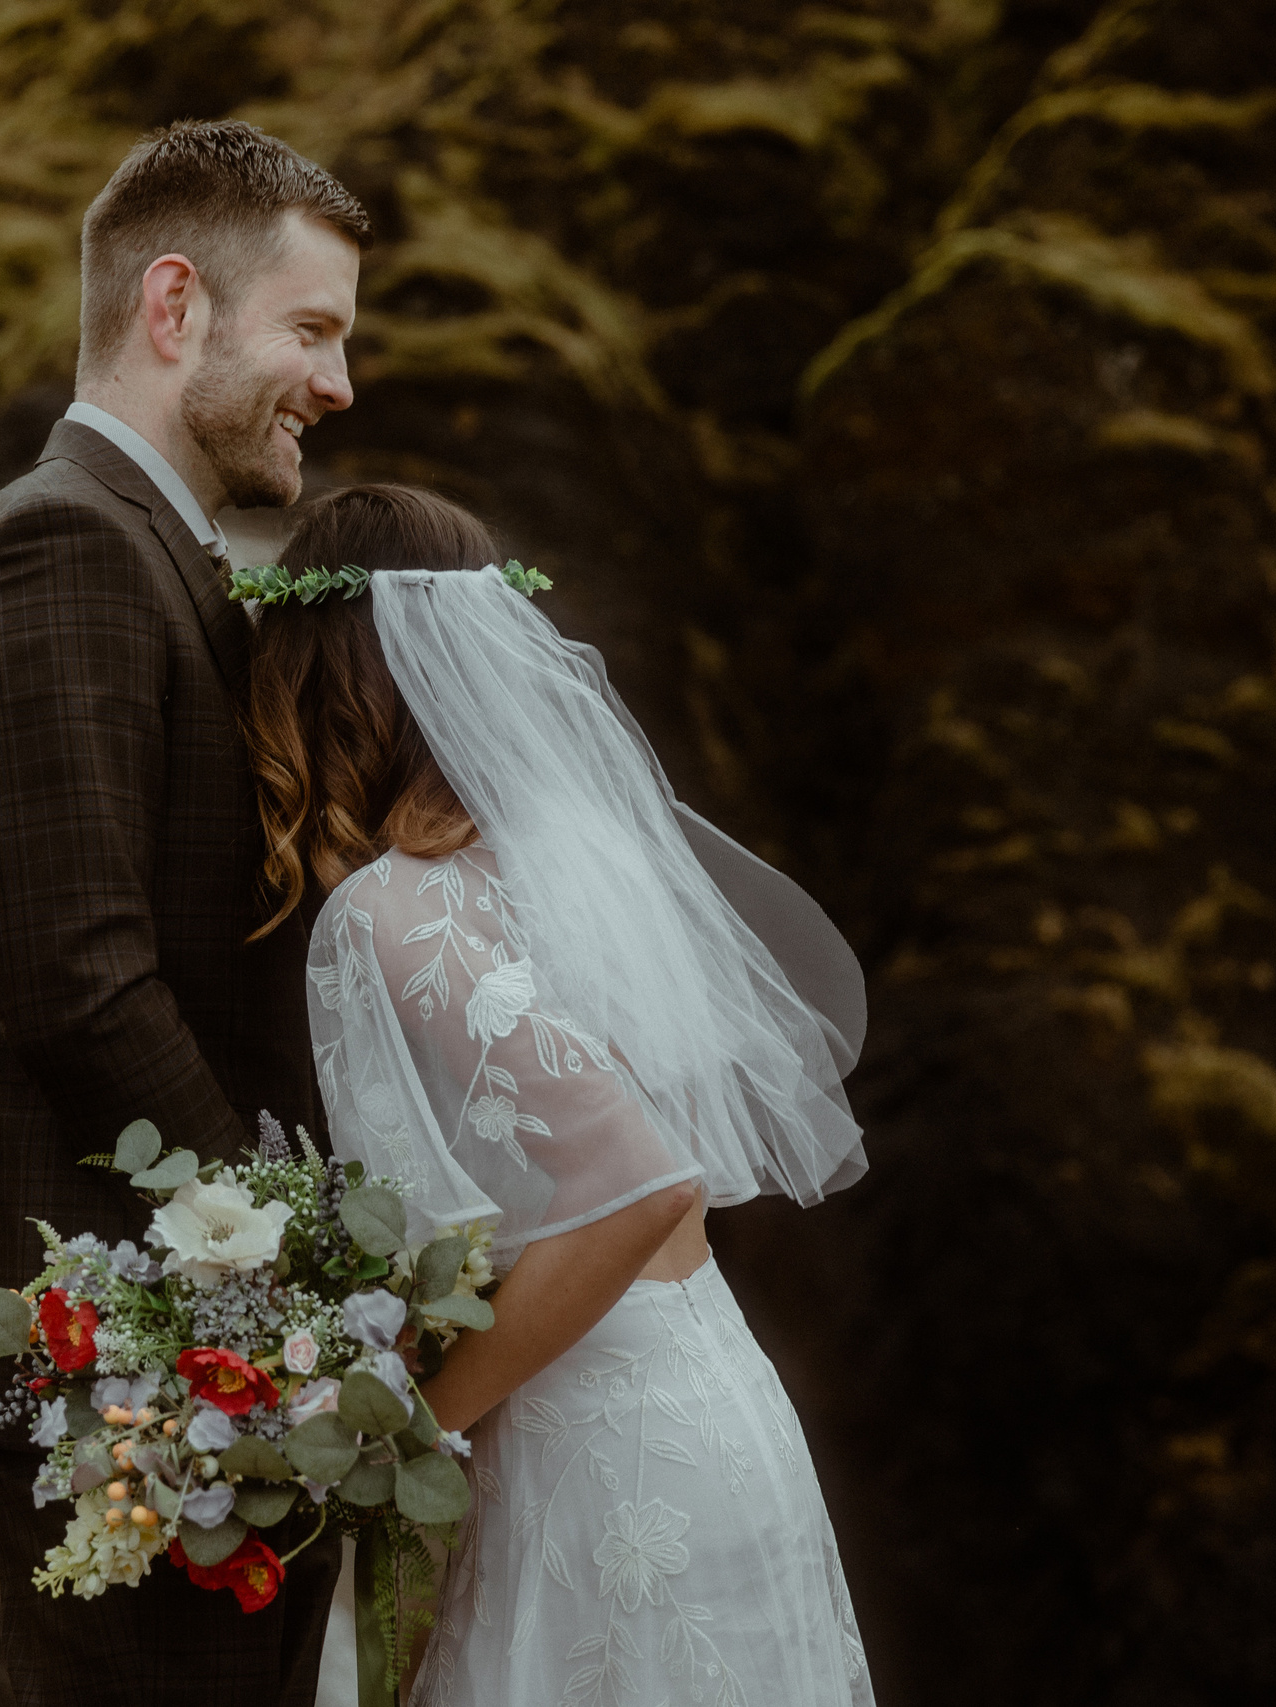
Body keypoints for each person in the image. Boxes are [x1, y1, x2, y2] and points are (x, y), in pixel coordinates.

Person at [242, 485, 876, 1706]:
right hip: (710, 1398)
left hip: (600, 1458)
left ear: (322, 674)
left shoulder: (394, 907)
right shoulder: (587, 854)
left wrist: (403, 1428)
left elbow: (637, 1185)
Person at [0, 121, 370, 1705]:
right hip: (106, 1356)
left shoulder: (154, 551)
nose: (339, 384)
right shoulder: (61, 546)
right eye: (312, 331)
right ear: (176, 307)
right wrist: (306, 1269)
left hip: (171, 1347)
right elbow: (78, 983)